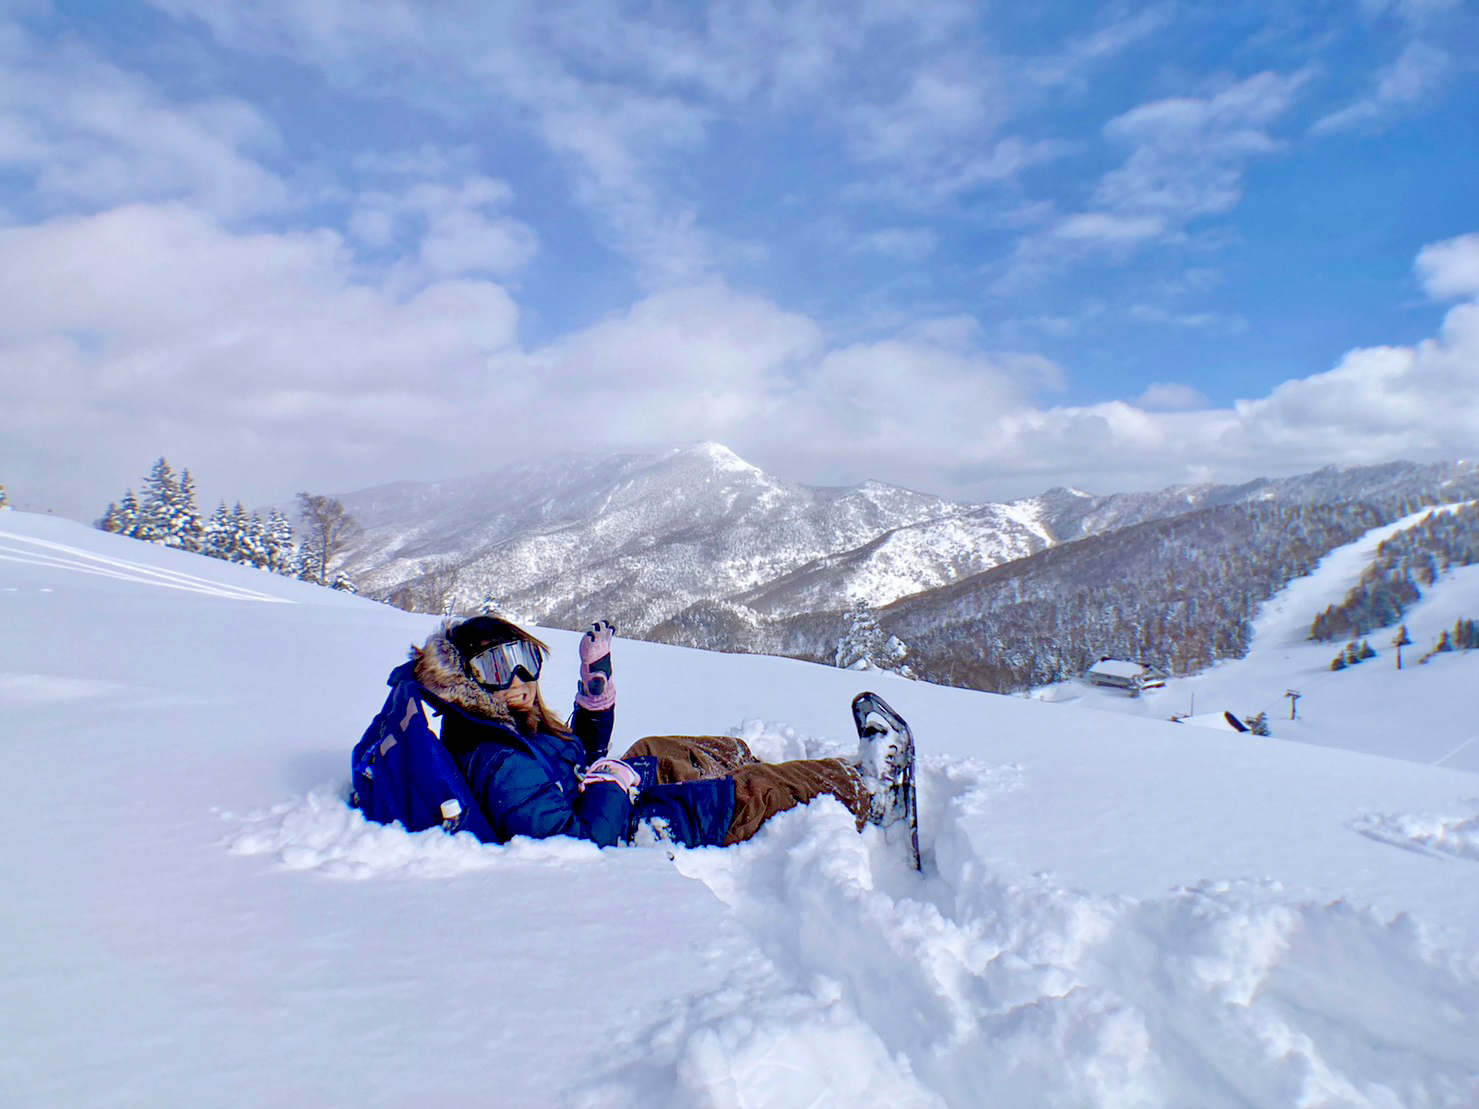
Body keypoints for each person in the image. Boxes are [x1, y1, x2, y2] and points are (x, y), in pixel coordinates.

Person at [397, 614, 874, 849]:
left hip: (590, 795)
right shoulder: (498, 760)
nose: (520, 679)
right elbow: (577, 847)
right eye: (498, 665)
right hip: (628, 827)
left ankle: (746, 764)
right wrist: (610, 784)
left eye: (527, 659)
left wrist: (593, 697)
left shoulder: (504, 726)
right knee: (752, 792)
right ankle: (869, 787)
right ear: (467, 680)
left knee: (654, 750)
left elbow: (569, 758)